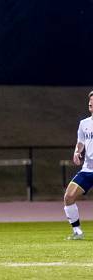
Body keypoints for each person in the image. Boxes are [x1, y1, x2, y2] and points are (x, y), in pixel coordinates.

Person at [64, 90, 93, 240]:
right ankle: (77, 232)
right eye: (90, 105)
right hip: (88, 169)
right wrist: (77, 152)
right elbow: (80, 142)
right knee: (69, 197)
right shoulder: (84, 124)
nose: (91, 107)